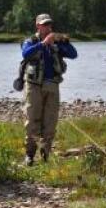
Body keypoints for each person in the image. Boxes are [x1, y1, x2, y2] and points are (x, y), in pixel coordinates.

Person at [21, 13, 78, 165]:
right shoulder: (30, 41)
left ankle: (45, 154)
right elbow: (25, 53)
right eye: (44, 24)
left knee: (50, 122)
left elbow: (74, 54)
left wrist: (63, 41)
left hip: (52, 85)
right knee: (32, 120)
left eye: (49, 24)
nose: (47, 27)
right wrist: (43, 43)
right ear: (37, 26)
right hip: (34, 86)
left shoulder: (57, 43)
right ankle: (30, 155)